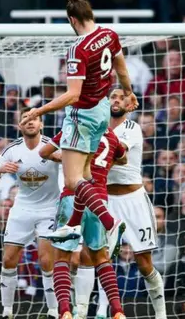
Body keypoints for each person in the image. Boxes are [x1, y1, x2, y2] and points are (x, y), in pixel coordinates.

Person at [20, 0, 138, 256]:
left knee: (73, 182)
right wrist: (129, 93)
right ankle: (72, 224)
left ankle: (111, 222)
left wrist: (39, 111)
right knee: (85, 176)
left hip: (82, 115)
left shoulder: (78, 49)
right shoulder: (109, 35)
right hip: (102, 111)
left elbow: (73, 94)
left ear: (72, 20)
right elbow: (121, 69)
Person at [91, 88, 167, 319]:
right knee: (103, 257)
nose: (116, 100)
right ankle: (102, 311)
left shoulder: (132, 128)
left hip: (133, 200)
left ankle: (161, 314)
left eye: (121, 97)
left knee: (144, 262)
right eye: (112, 97)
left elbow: (113, 154)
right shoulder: (97, 128)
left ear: (129, 104)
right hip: (106, 199)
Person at [39, 129, 128, 319]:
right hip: (99, 199)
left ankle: (64, 311)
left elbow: (44, 152)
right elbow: (123, 158)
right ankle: (118, 311)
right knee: (101, 258)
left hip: (73, 197)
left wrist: (64, 158)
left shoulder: (74, 128)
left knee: (62, 257)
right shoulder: (112, 135)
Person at [0, 108, 60, 319]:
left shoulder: (51, 145)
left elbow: (70, 163)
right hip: (22, 208)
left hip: (49, 209)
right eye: (25, 119)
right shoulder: (12, 150)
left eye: (34, 118)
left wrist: (59, 158)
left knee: (46, 261)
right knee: (8, 259)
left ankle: (53, 311)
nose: (30, 121)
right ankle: (7, 311)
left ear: (41, 124)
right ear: (19, 125)